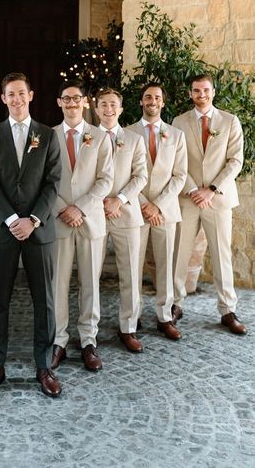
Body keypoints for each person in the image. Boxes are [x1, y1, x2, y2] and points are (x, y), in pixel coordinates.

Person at [0, 72, 62, 397]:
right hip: (3, 229)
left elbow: (53, 182)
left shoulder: (47, 135)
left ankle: (44, 368)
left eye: (21, 93)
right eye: (10, 94)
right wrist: (13, 218)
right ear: (3, 98)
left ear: (31, 95)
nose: (16, 99)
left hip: (38, 232)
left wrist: (33, 220)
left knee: (45, 301)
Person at [172, 74, 246, 334]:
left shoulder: (230, 121)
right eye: (196, 90)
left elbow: (235, 161)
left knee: (221, 253)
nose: (201, 94)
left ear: (213, 92)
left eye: (205, 90)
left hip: (219, 198)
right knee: (180, 251)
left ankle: (228, 309)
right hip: (189, 198)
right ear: (190, 93)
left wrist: (212, 189)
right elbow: (176, 161)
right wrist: (194, 189)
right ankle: (175, 303)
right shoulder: (179, 122)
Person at [51, 79, 113, 371]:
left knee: (90, 283)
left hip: (89, 220)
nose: (72, 103)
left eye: (77, 98)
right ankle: (59, 340)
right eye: (67, 99)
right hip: (59, 220)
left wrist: (81, 207)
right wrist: (64, 208)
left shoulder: (100, 137)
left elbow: (105, 180)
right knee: (58, 283)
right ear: (59, 103)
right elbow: (42, 181)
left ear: (85, 102)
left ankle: (88, 340)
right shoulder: (47, 137)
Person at [126, 83, 187, 340]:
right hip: (136, 209)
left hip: (165, 210)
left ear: (163, 103)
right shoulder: (127, 134)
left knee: (165, 264)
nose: (152, 101)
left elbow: (180, 175)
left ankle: (164, 316)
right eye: (148, 97)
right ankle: (131, 315)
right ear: (141, 102)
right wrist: (143, 204)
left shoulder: (176, 135)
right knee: (132, 265)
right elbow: (123, 175)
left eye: (157, 97)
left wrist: (157, 204)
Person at [96, 88, 147, 353]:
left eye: (113, 104)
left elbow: (140, 176)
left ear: (121, 108)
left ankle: (128, 327)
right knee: (90, 274)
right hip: (94, 214)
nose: (108, 109)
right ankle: (88, 331)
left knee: (130, 274)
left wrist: (120, 200)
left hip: (126, 214)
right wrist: (101, 202)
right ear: (96, 109)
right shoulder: (87, 137)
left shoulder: (134, 139)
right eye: (103, 104)